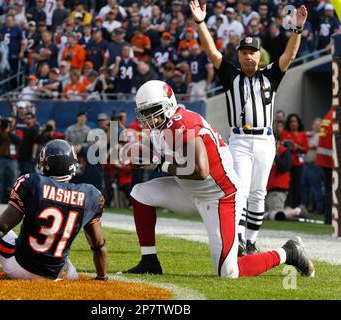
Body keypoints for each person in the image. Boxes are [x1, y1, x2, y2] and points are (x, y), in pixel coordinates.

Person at [123, 79, 314, 279]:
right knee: (140, 193)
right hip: (191, 191)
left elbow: (200, 170)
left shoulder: (184, 123)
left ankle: (288, 252)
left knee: (228, 271)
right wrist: (130, 155)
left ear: (168, 105)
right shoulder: (159, 128)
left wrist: (157, 164)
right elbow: (152, 150)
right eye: (144, 112)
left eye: (152, 110)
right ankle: (149, 261)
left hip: (221, 197)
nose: (148, 117)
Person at [190, 0, 309, 255]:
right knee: (240, 189)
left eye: (251, 52)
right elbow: (212, 52)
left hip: (265, 140)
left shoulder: (270, 74)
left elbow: (290, 55)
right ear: (239, 55)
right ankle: (240, 239)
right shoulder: (231, 75)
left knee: (258, 193)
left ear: (259, 55)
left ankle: (251, 241)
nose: (247, 56)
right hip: (240, 139)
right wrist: (200, 22)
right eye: (243, 52)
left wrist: (297, 30)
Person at [0, 139, 108, 281]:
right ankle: (66, 265)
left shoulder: (33, 183)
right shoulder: (91, 194)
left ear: (45, 163)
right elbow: (98, 245)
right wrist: (102, 276)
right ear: (73, 163)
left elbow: (0, 229)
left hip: (22, 268)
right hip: (54, 272)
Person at [280, 114, 309, 210]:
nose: (293, 123)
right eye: (291, 121)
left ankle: (296, 207)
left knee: (297, 185)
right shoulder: (284, 133)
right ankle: (287, 206)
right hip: (286, 164)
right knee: (288, 185)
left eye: (295, 121)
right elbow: (279, 145)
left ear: (298, 123)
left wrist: (297, 147)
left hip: (298, 164)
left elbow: (306, 149)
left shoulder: (302, 134)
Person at [315, 108, 333, 224]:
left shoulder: (329, 114)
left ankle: (328, 217)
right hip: (332, 160)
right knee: (332, 190)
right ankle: (330, 217)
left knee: (328, 189)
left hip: (324, 159)